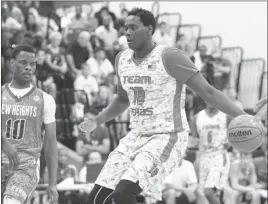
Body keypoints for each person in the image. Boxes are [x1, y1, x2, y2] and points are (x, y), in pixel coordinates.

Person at [78, 8, 252, 204]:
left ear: (150, 30)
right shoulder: (122, 59)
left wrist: (243, 116)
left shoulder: (170, 56)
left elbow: (208, 92)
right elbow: (122, 99)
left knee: (123, 194)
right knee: (96, 198)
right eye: (125, 28)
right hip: (135, 136)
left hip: (167, 136)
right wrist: (97, 120)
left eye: (133, 27)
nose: (127, 32)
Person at [1, 45, 58, 204]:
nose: (28, 67)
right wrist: (3, 141)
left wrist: (52, 184)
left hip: (26, 165)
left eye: (32, 64)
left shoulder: (45, 99)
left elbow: (51, 143)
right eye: (23, 62)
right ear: (11, 63)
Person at [191, 97, 232, 204]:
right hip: (203, 157)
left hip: (219, 157)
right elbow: (194, 141)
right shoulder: (196, 118)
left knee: (209, 191)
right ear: (205, 99)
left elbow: (232, 140)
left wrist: (229, 143)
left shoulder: (226, 117)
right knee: (203, 195)